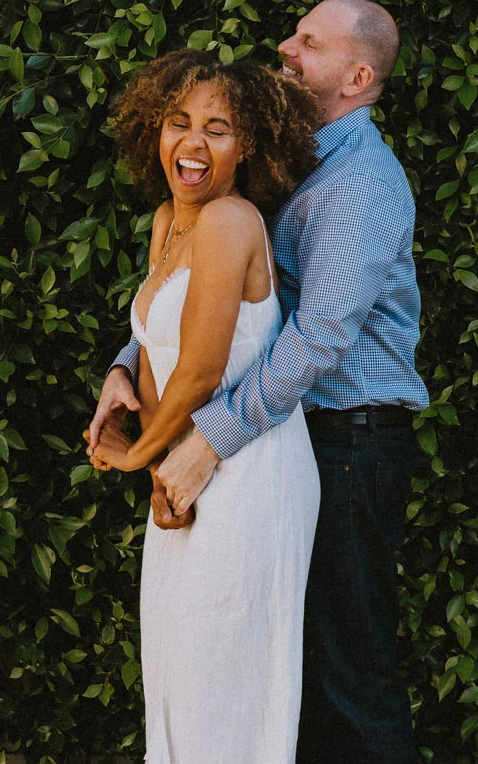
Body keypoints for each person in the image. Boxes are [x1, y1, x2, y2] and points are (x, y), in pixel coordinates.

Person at [89, 0, 430, 764]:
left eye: (308, 42)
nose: (286, 47)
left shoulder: (363, 181)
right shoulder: (291, 162)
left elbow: (316, 340)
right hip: (290, 437)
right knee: (282, 677)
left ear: (357, 73)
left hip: (349, 441)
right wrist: (125, 365)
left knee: (350, 677)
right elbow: (211, 295)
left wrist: (208, 437)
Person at [86, 48, 323, 762]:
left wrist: (136, 457)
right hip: (185, 468)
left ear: (246, 143)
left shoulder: (229, 219)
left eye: (217, 128)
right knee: (179, 681)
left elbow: (198, 370)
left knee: (221, 689)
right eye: (177, 122)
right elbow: (157, 339)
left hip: (245, 474)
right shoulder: (170, 219)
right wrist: (120, 376)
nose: (192, 143)